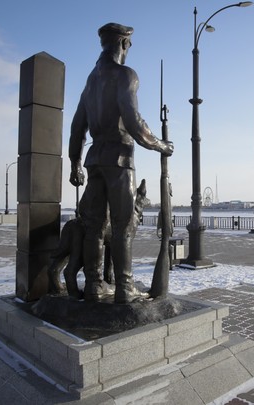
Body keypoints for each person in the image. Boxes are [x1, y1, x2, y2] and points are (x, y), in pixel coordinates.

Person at [69, 22, 173, 304]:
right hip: (119, 159)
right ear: (124, 45)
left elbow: (77, 127)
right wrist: (161, 145)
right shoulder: (125, 74)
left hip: (94, 161)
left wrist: (75, 164)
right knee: (123, 225)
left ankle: (93, 284)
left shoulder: (90, 82)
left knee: (95, 227)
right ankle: (125, 288)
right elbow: (133, 122)